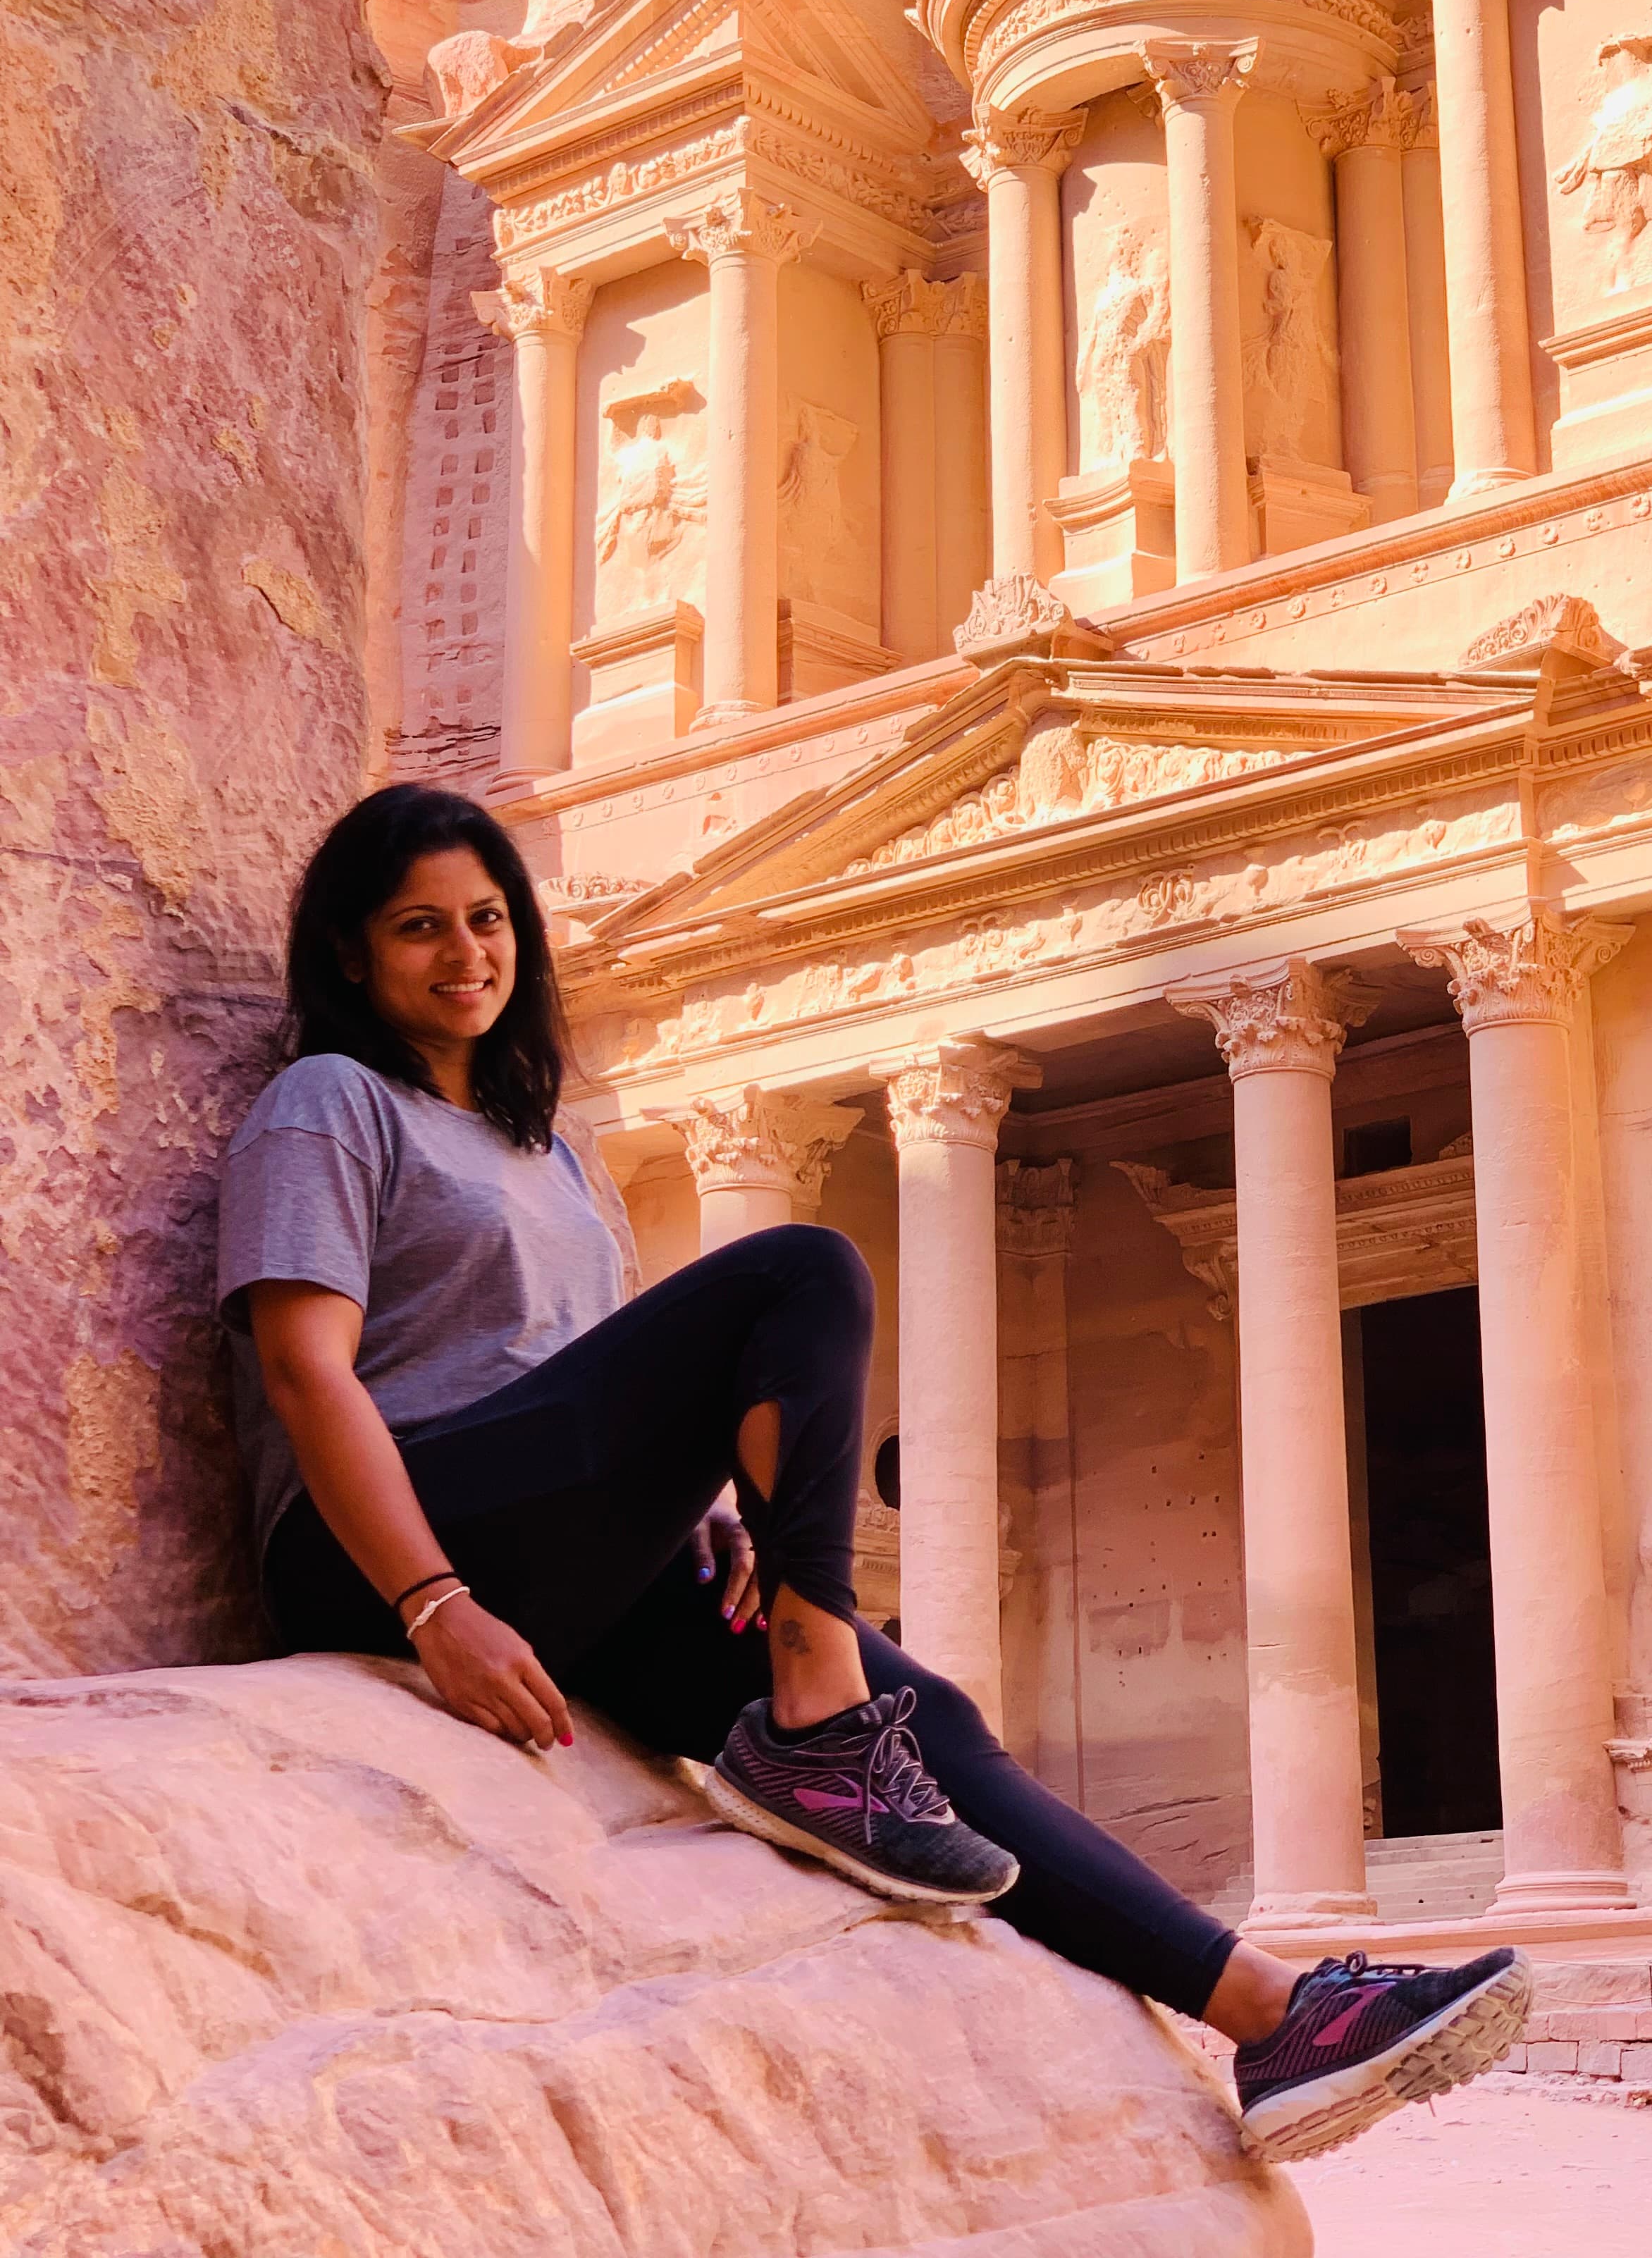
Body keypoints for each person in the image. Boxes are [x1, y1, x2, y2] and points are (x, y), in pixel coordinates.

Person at [216, 782, 1530, 2161]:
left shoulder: (554, 1155)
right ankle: (812, 1708)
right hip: (382, 1540)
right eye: (420, 927)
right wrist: (432, 1601)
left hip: (553, 1549)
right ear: (354, 954)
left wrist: (707, 1500)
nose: (467, 952)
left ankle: (1271, 2015)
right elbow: (308, 1374)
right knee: (801, 1269)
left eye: (489, 920)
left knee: (934, 1724)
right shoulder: (328, 1105)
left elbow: (576, 1367)